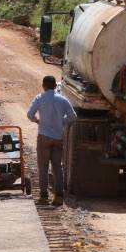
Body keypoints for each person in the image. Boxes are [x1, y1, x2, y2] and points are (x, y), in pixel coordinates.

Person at [27, 75, 76, 206]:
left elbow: (29, 114)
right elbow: (73, 116)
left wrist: (38, 121)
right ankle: (59, 196)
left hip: (44, 136)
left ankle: (44, 196)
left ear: (43, 85)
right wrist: (62, 122)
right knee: (57, 167)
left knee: (43, 167)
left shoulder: (39, 98)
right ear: (55, 86)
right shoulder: (63, 99)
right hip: (58, 137)